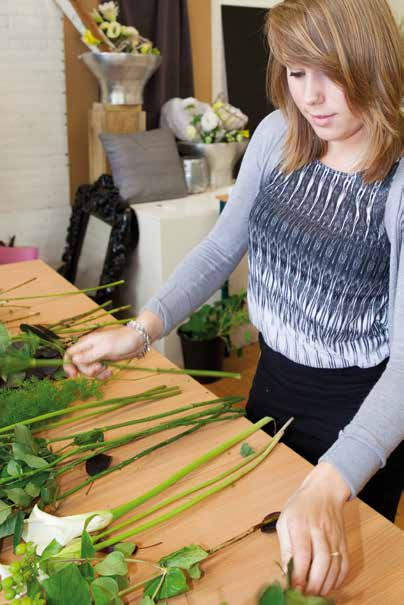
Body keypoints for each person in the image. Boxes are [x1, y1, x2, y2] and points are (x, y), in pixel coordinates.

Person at [64, 0, 404, 597]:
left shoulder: (398, 181)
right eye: (297, 73)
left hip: (360, 410)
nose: (313, 97)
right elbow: (222, 248)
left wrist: (331, 484)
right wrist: (142, 329)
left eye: (331, 72)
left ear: (373, 63)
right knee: (249, 556)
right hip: (273, 384)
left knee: (327, 581)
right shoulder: (278, 135)